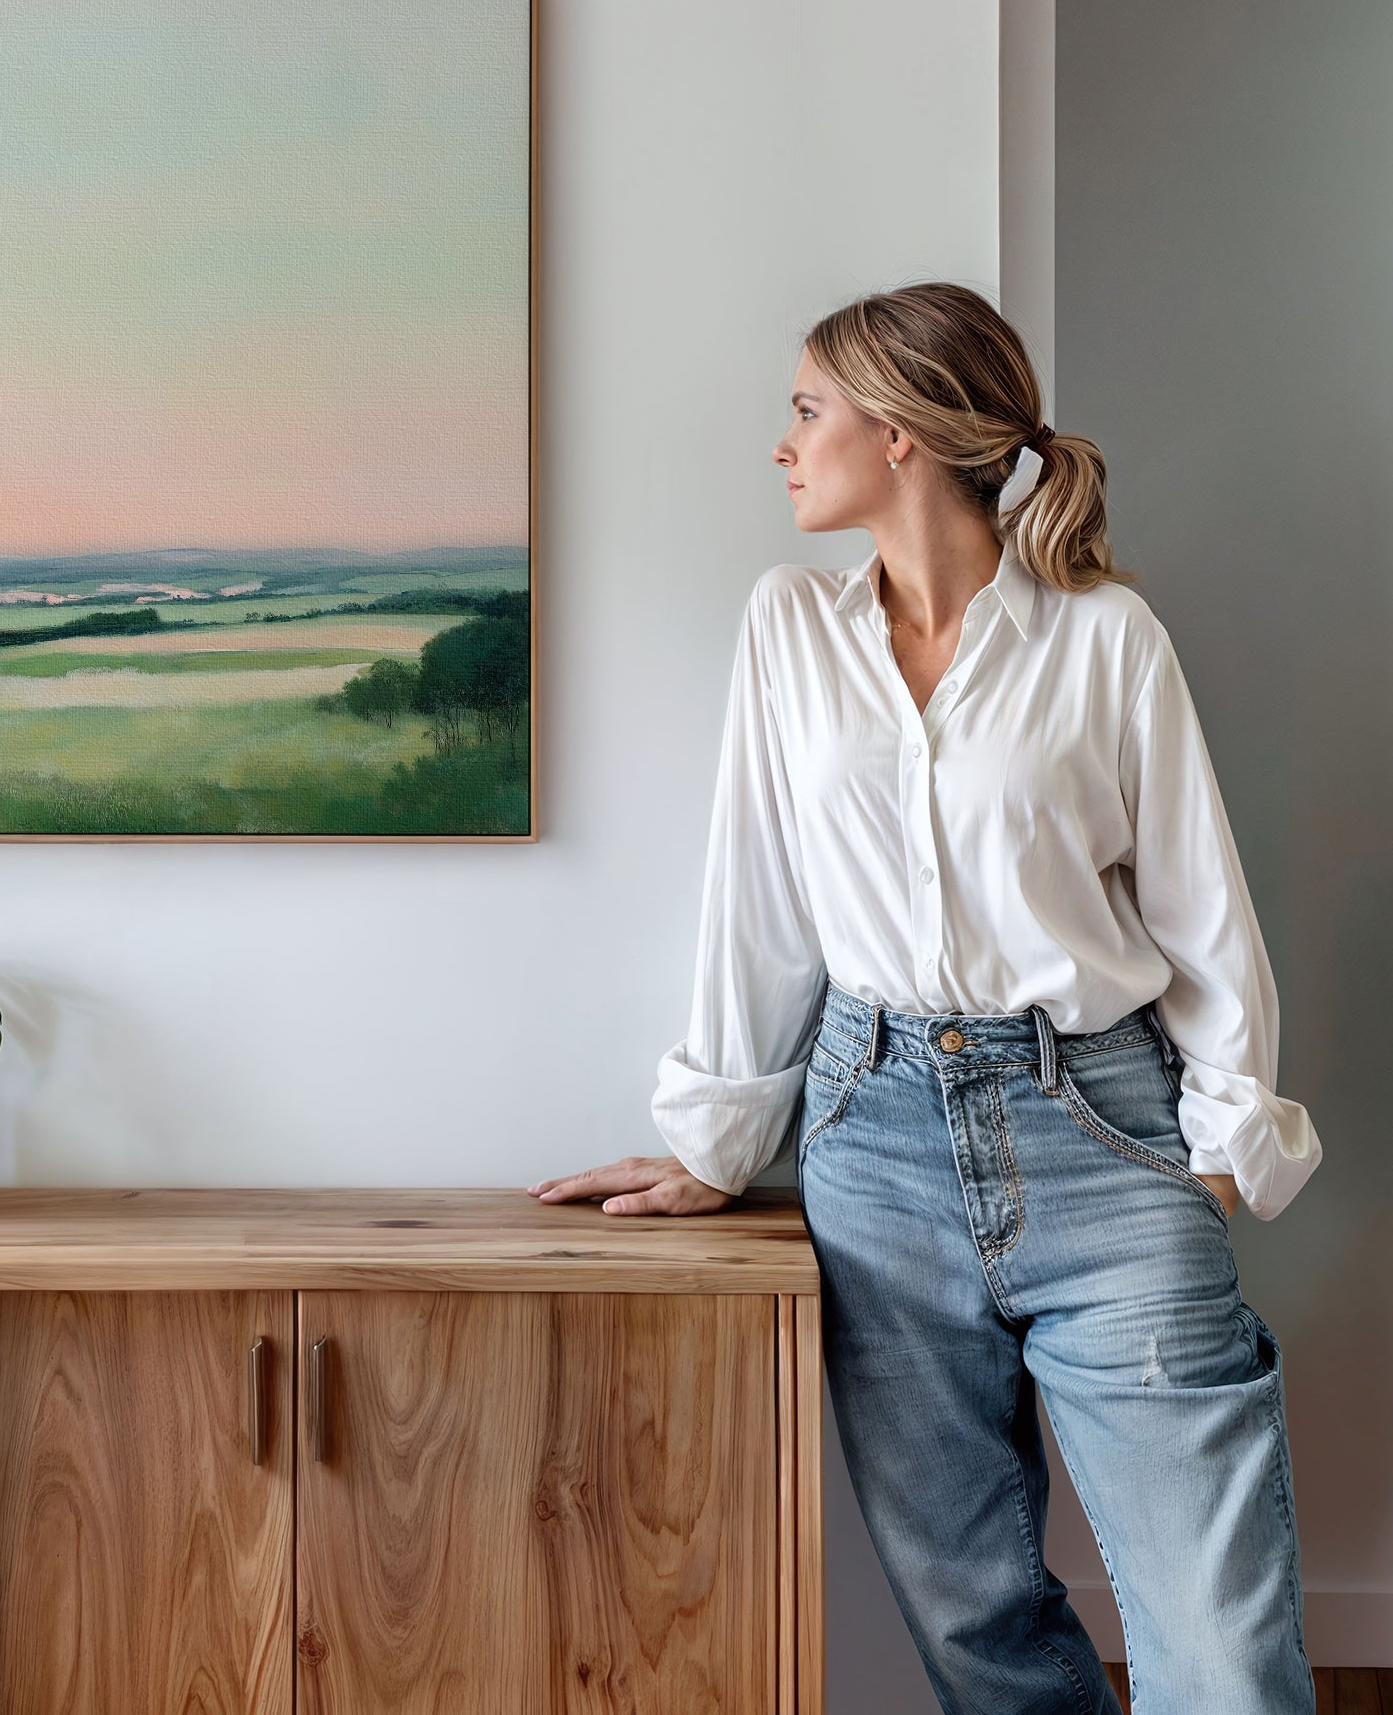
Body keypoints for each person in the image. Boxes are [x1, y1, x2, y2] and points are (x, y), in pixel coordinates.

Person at [530, 283, 1322, 1714]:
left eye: (806, 409)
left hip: (1104, 1126)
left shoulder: (1105, 639)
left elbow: (1203, 910)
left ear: (899, 435)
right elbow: (756, 900)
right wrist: (721, 1140)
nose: (783, 444)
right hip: (872, 1139)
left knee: (1220, 1644)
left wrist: (1218, 1146)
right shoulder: (789, 631)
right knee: (977, 1627)